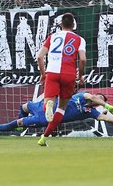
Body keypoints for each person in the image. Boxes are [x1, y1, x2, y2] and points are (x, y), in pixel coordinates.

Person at [0, 91, 113, 134]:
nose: (97, 98)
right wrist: (107, 104)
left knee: (21, 122)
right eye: (98, 97)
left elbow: (105, 118)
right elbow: (91, 96)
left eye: (100, 99)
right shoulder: (83, 96)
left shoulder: (90, 112)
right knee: (24, 107)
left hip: (46, 117)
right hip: (44, 106)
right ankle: (20, 128)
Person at [36, 13, 86, 147]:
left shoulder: (52, 37)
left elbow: (39, 57)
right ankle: (44, 138)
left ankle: (48, 106)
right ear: (74, 25)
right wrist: (80, 75)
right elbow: (82, 59)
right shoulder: (80, 39)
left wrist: (43, 74)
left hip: (52, 72)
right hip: (68, 74)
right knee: (62, 108)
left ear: (60, 25)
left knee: (47, 103)